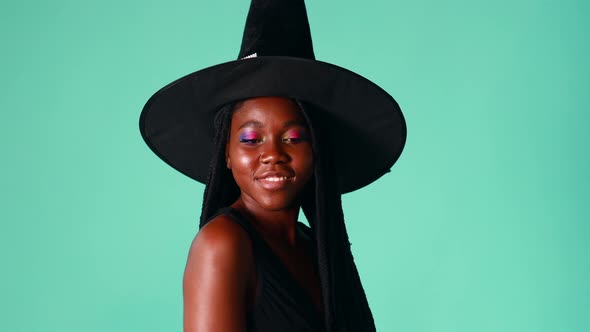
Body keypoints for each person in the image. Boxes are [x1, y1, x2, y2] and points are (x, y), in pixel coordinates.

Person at [139, 1, 406, 331]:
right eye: (251, 138)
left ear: (317, 148)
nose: (272, 154)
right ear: (225, 154)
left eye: (293, 137)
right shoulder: (223, 244)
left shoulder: (316, 247)